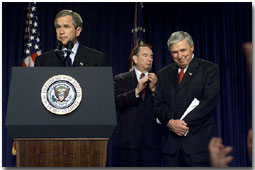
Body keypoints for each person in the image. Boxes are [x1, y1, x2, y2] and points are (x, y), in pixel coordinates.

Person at [154, 31, 220, 167]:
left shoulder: (209, 69)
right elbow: (159, 103)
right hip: (171, 147)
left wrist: (182, 124)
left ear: (192, 47)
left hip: (198, 144)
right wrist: (170, 122)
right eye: (174, 52)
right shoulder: (163, 74)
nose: (179, 56)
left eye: (183, 50)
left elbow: (208, 102)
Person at [114, 44, 161, 167]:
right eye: (145, 55)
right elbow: (114, 103)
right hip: (127, 143)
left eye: (151, 56)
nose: (149, 59)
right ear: (135, 59)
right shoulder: (121, 79)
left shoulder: (159, 81)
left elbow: (163, 109)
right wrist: (136, 91)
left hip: (152, 144)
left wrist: (154, 91)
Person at [35, 9, 106, 66]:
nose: (61, 32)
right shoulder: (42, 61)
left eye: (66, 27)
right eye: (58, 27)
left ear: (78, 30)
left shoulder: (96, 59)